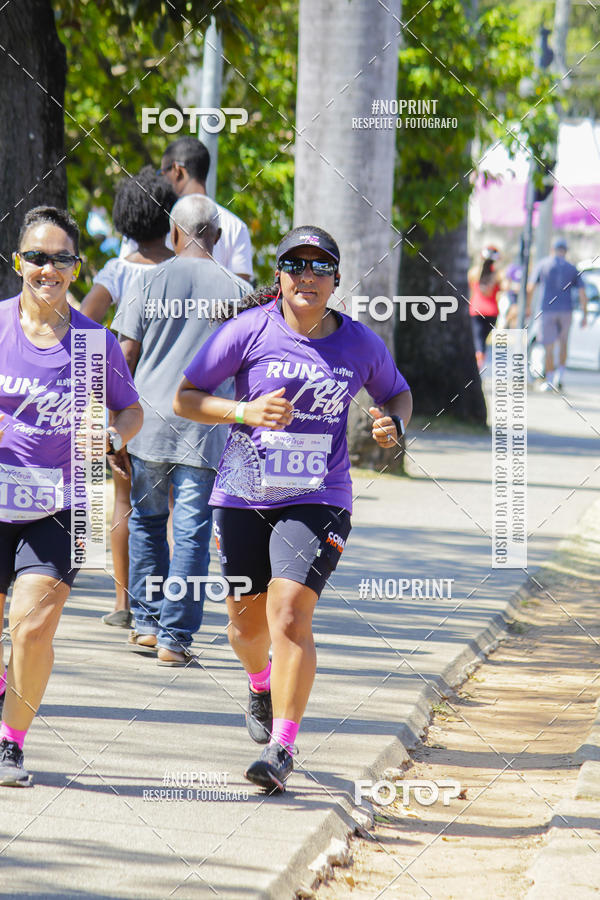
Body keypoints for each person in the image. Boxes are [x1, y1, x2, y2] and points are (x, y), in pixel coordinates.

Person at [173, 225, 412, 792]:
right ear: (279, 275)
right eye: (296, 265)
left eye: (320, 266)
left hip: (319, 496)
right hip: (243, 495)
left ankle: (282, 747)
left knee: (288, 615)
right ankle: (260, 682)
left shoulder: (360, 344)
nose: (308, 276)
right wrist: (244, 412)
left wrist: (395, 424)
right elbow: (184, 398)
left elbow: (396, 393)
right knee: (245, 626)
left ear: (336, 279)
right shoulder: (247, 331)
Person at [0, 206, 142, 786]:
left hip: (66, 503)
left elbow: (130, 410)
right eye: (37, 256)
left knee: (32, 627)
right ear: (18, 262)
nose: (48, 268)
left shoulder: (93, 342)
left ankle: (10, 745)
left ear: (77, 269)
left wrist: (111, 436)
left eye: (61, 259)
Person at [113, 194, 250, 666]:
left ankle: (147, 625)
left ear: (173, 232)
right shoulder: (238, 291)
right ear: (218, 236)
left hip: (148, 425)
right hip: (204, 430)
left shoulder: (146, 282)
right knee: (191, 533)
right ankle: (174, 639)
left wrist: (116, 427)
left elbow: (125, 357)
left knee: (147, 522)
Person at [81, 167, 177, 629]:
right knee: (171, 510)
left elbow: (84, 322)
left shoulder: (118, 272)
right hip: (181, 403)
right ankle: (165, 604)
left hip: (128, 404)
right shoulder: (186, 270)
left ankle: (124, 602)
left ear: (123, 217)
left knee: (125, 500)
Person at [120, 138, 253, 282]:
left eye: (162, 173)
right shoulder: (235, 226)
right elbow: (241, 289)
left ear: (177, 170)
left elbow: (126, 274)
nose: (162, 180)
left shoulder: (153, 218)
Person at [527, 237, 587, 391]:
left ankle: (549, 379)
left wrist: (528, 307)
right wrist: (585, 314)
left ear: (552, 249)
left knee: (549, 345)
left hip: (547, 310)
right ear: (565, 251)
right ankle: (560, 376)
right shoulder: (572, 268)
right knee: (563, 343)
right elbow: (582, 292)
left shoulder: (543, 265)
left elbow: (530, 287)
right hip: (567, 310)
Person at [468, 245, 504, 371]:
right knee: (482, 340)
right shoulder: (497, 275)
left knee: (477, 340)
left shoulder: (474, 272)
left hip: (476, 310)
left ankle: (478, 366)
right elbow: (504, 287)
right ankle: (479, 365)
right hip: (492, 312)